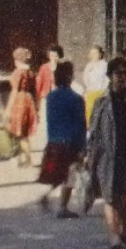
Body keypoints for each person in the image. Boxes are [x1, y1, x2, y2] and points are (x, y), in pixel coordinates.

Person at [84, 56, 126, 249]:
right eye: (117, 73)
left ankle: (123, 223)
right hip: (107, 154)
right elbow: (93, 129)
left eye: (124, 73)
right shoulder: (101, 101)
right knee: (109, 195)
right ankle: (113, 235)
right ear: (109, 76)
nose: (122, 77)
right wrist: (89, 153)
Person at [37, 61, 87, 217]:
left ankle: (48, 196)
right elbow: (80, 124)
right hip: (70, 141)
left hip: (54, 140)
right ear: (70, 76)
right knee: (70, 174)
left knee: (59, 173)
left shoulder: (51, 97)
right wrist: (82, 147)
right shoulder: (76, 98)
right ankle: (63, 207)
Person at [4, 47, 38, 167]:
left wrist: (8, 109)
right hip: (29, 100)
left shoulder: (18, 72)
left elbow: (14, 91)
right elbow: (35, 90)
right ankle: (25, 158)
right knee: (24, 133)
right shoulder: (30, 72)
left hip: (19, 100)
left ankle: (26, 159)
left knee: (17, 132)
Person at [81, 44, 109, 125]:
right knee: (89, 114)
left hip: (101, 92)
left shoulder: (104, 65)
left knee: (100, 115)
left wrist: (103, 91)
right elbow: (85, 79)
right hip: (91, 92)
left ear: (100, 54)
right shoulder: (88, 65)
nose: (93, 56)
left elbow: (106, 79)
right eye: (91, 53)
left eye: (95, 53)